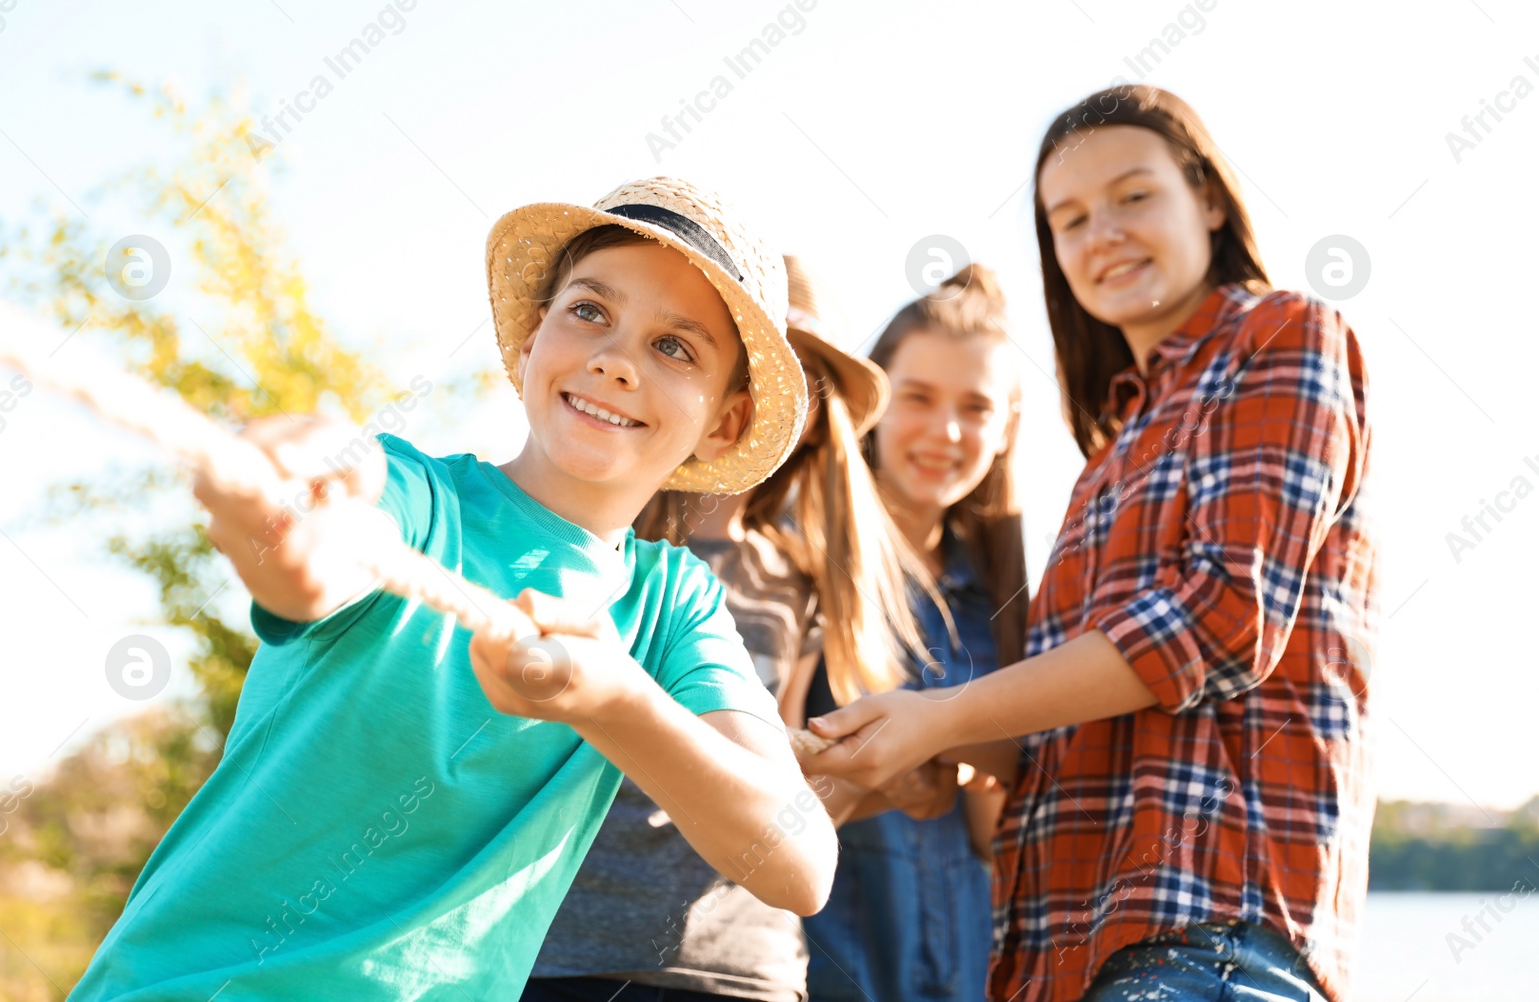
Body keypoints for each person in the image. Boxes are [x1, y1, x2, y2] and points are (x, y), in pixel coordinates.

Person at [67, 177, 839, 1001]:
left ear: (724, 421)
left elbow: (798, 862)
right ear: (532, 336)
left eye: (676, 346)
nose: (615, 359)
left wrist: (613, 703)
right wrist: (297, 497)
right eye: (589, 311)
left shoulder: (671, 606)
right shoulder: (415, 496)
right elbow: (314, 557)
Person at [804, 85, 1379, 1002]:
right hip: (1068, 954)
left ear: (1210, 199)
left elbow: (1224, 619)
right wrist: (915, 752)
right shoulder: (1110, 451)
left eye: (1134, 195)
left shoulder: (1281, 335)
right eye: (1067, 219)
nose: (1100, 232)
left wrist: (945, 714)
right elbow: (1074, 725)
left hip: (1211, 934)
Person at [524, 254, 933, 1002]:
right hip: (562, 944)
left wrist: (877, 775)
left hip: (734, 962)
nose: (783, 392)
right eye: (764, 359)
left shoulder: (807, 580)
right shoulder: (598, 549)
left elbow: (775, 772)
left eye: (803, 375)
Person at [802, 264, 1029, 1002]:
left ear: (1006, 428)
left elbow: (1001, 832)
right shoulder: (796, 561)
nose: (946, 431)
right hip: (821, 977)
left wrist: (963, 757)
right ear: (871, 404)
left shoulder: (1007, 601)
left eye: (975, 407)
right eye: (919, 399)